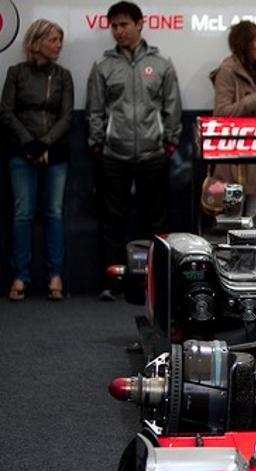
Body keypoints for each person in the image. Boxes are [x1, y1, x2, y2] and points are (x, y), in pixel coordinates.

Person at [86, 1, 182, 301]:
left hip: (154, 155)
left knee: (155, 222)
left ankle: (153, 281)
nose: (119, 31)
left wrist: (168, 144)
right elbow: (95, 110)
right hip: (114, 155)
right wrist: (98, 145)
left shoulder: (162, 64)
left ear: (140, 24)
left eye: (124, 24)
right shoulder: (103, 66)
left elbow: (172, 108)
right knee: (112, 221)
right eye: (114, 26)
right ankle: (113, 283)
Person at [0, 19, 73, 301]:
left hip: (55, 152)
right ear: (37, 42)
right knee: (23, 214)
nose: (58, 46)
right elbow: (6, 111)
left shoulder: (63, 75)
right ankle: (20, 276)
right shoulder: (16, 72)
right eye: (53, 40)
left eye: (60, 40)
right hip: (22, 151)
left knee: (53, 214)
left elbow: (66, 116)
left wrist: (44, 143)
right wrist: (30, 143)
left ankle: (55, 276)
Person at [209, 21, 256, 218]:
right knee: (230, 221)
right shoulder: (227, 70)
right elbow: (221, 112)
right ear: (244, 42)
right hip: (234, 161)